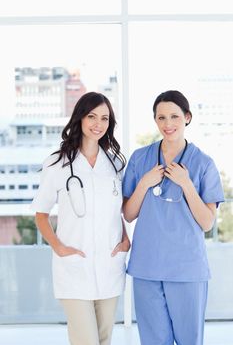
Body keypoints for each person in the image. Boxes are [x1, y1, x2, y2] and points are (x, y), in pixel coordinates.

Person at [122, 90, 224, 345]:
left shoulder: (203, 163)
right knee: (153, 340)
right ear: (155, 120)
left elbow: (207, 222)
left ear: (187, 118)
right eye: (162, 117)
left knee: (189, 340)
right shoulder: (140, 158)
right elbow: (129, 213)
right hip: (147, 266)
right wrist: (144, 183)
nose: (168, 124)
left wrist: (186, 184)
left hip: (186, 268)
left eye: (175, 116)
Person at [31, 91, 130, 345]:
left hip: (110, 265)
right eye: (92, 116)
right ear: (80, 119)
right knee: (86, 341)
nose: (98, 124)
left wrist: (125, 239)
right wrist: (59, 248)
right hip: (74, 267)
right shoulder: (57, 163)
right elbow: (41, 214)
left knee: (104, 339)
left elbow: (117, 209)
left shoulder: (115, 163)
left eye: (105, 118)